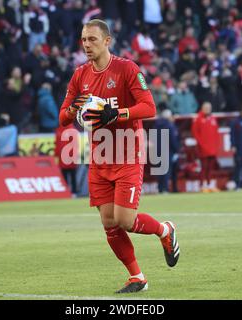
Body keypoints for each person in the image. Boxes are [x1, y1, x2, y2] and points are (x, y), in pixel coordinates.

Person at [59, 19, 179, 294]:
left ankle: (165, 230)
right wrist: (75, 109)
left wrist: (119, 113)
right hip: (99, 159)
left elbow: (149, 106)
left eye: (92, 39)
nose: (87, 45)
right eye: (83, 40)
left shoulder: (126, 69)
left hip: (127, 153)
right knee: (109, 223)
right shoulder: (80, 75)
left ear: (107, 41)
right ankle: (137, 277)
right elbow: (63, 117)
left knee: (125, 220)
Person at [191, 102, 219, 192]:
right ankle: (202, 185)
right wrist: (201, 145)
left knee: (210, 168)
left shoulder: (213, 118)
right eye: (206, 107)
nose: (208, 109)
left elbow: (216, 134)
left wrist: (216, 146)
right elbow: (195, 134)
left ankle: (209, 184)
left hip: (212, 148)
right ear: (202, 108)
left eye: (209, 108)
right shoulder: (198, 119)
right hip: (203, 148)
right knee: (204, 167)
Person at [153, 109, 180, 193]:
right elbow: (173, 140)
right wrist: (176, 150)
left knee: (160, 170)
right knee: (167, 171)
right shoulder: (170, 126)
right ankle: (165, 189)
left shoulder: (156, 125)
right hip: (168, 151)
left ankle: (160, 188)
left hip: (157, 150)